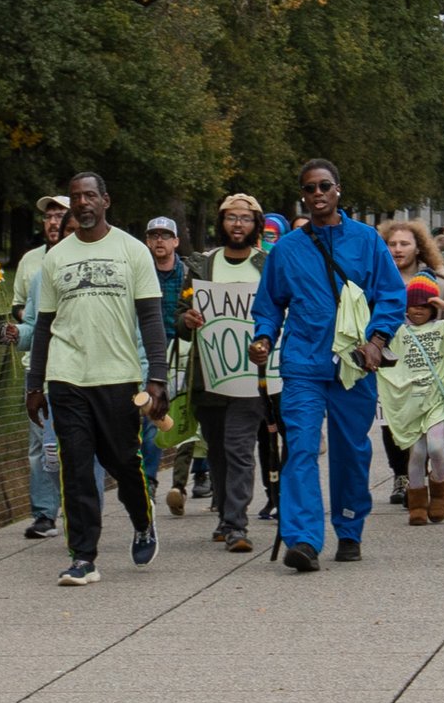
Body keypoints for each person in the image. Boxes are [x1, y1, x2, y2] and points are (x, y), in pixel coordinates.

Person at [248, 159, 408, 573]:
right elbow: (269, 305)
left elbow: (391, 295)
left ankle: (350, 527)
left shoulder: (367, 240)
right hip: (303, 363)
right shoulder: (286, 250)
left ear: (338, 190)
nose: (317, 194)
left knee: (351, 450)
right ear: (303, 195)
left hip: (355, 364)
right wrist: (263, 337)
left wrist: (377, 341)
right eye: (310, 188)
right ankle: (303, 539)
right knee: (299, 447)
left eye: (324, 186)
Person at [24, 172, 167, 586]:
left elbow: (152, 320)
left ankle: (142, 520)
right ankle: (83, 557)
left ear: (106, 200)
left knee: (123, 462)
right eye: (75, 198)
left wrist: (155, 379)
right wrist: (36, 384)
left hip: (118, 377)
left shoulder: (132, 251)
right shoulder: (56, 259)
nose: (83, 203)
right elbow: (45, 325)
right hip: (66, 378)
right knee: (76, 468)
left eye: (90, 195)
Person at [176, 192, 267, 553]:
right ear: (222, 222)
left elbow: (284, 306)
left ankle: (236, 525)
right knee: (216, 449)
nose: (238, 224)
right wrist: (187, 318)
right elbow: (180, 317)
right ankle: (226, 516)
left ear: (256, 224)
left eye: (245, 218)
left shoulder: (268, 264)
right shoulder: (202, 264)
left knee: (239, 446)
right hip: (209, 373)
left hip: (252, 374)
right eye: (232, 217)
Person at [380, 279, 444, 525]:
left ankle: (440, 495)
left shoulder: (443, 328)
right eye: (412, 305)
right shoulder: (398, 332)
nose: (417, 310)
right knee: (417, 453)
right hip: (410, 401)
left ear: (433, 308)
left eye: (424, 305)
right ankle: (417, 503)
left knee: (434, 447)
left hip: (435, 400)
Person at [6, 194, 68, 539]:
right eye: (48, 216)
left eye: (60, 216)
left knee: (72, 444)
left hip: (76, 367)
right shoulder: (31, 263)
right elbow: (21, 308)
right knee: (40, 445)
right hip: (39, 366)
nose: (53, 222)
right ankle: (45, 514)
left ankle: (78, 508)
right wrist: (21, 328)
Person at [377, 218, 444, 503]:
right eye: (392, 244)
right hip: (391, 363)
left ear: (418, 248)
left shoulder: (438, 281)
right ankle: (401, 475)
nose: (397, 249)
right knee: (390, 421)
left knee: (427, 425)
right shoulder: (376, 280)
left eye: (404, 243)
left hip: (428, 366)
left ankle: (430, 474)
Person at [143, 216, 195, 516]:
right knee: (152, 418)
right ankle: (148, 482)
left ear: (176, 241)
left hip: (183, 349)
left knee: (186, 414)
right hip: (150, 352)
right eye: (154, 235)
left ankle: (184, 480)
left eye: (165, 235)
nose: (159, 241)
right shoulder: (141, 272)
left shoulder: (187, 273)